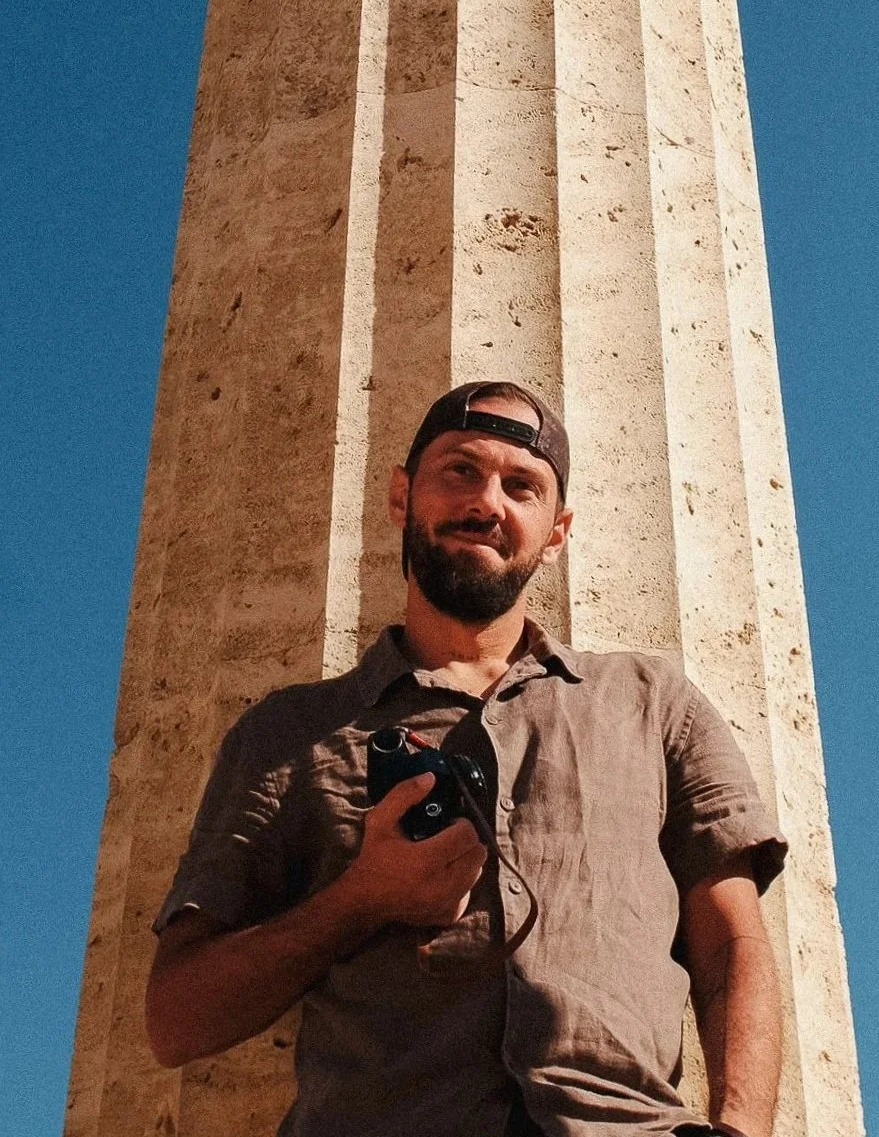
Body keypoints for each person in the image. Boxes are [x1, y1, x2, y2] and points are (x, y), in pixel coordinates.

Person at [146, 381, 787, 1137]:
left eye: (523, 486)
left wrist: (740, 1127)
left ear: (557, 530)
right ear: (400, 495)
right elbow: (177, 1020)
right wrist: (363, 898)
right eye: (460, 470)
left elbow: (732, 945)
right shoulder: (289, 732)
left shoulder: (653, 701)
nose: (488, 502)